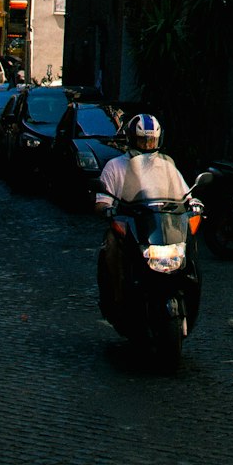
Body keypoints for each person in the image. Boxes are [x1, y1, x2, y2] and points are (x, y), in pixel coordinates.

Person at [95, 114, 190, 319]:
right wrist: (106, 208)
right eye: (142, 140)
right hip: (130, 226)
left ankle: (188, 288)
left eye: (151, 140)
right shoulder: (114, 166)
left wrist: (194, 203)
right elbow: (102, 199)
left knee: (188, 246)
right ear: (131, 139)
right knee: (111, 246)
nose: (147, 145)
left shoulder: (166, 166)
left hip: (161, 223)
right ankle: (118, 296)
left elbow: (185, 193)